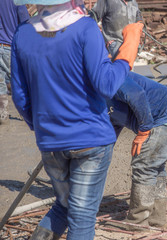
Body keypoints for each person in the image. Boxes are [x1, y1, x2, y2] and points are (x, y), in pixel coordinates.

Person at [11, 0, 143, 238]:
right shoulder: (85, 28)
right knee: (81, 217)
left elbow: (20, 97)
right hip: (90, 140)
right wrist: (127, 52)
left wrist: (42, 126)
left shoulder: (23, 33)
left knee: (63, 205)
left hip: (50, 143)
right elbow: (107, 85)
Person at [107, 72, 167, 231]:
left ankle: (137, 222)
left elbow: (137, 94)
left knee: (144, 166)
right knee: (154, 166)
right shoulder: (97, 97)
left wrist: (144, 130)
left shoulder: (108, 74)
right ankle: (156, 218)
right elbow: (113, 126)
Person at [0, 0, 29, 125]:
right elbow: (25, 22)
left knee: (1, 81)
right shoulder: (17, 1)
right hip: (10, 46)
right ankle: (24, 111)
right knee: (17, 80)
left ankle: (2, 113)